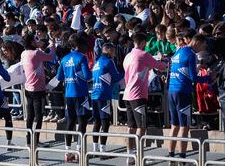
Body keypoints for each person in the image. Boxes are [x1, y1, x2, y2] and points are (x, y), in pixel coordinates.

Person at [122, 33, 167, 165]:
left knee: (131, 127)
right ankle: (139, 156)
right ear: (142, 43)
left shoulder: (128, 56)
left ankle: (130, 156)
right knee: (141, 127)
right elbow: (160, 66)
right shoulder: (143, 55)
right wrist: (163, 59)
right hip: (138, 95)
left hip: (127, 93)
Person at [168, 34, 213, 165]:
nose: (204, 48)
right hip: (183, 92)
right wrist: (209, 78)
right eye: (204, 45)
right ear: (198, 42)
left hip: (172, 90)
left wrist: (195, 69)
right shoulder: (191, 54)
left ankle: (171, 156)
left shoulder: (180, 50)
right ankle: (182, 158)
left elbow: (182, 69)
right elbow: (194, 78)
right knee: (184, 126)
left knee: (174, 125)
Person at [57, 32, 92, 163]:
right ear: (80, 44)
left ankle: (67, 152)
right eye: (85, 45)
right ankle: (79, 152)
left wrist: (69, 76)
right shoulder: (82, 58)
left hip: (68, 94)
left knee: (70, 122)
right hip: (81, 94)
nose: (87, 47)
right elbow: (87, 76)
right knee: (82, 122)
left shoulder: (65, 58)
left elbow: (59, 77)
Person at [21, 33, 56, 146]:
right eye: (35, 40)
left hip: (28, 88)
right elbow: (51, 56)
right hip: (38, 89)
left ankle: (28, 141)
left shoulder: (24, 53)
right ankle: (36, 141)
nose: (37, 41)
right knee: (39, 116)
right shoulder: (36, 53)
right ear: (31, 42)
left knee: (30, 116)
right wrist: (52, 45)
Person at [91, 43, 124, 154]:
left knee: (96, 122)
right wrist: (125, 71)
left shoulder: (96, 63)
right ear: (108, 50)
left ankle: (94, 150)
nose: (114, 54)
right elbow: (116, 77)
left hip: (94, 94)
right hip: (104, 95)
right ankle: (102, 150)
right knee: (105, 122)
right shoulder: (109, 61)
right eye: (113, 51)